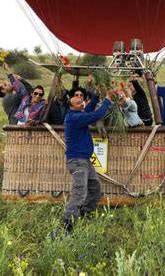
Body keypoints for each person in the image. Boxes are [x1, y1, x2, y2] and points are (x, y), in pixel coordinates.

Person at [63, 88, 113, 233]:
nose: (80, 99)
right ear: (70, 103)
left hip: (84, 160)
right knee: (79, 192)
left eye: (82, 98)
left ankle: (84, 213)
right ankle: (68, 225)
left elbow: (89, 108)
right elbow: (96, 114)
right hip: (78, 161)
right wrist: (107, 99)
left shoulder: (79, 114)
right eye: (76, 98)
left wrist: (96, 95)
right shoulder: (74, 118)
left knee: (95, 187)